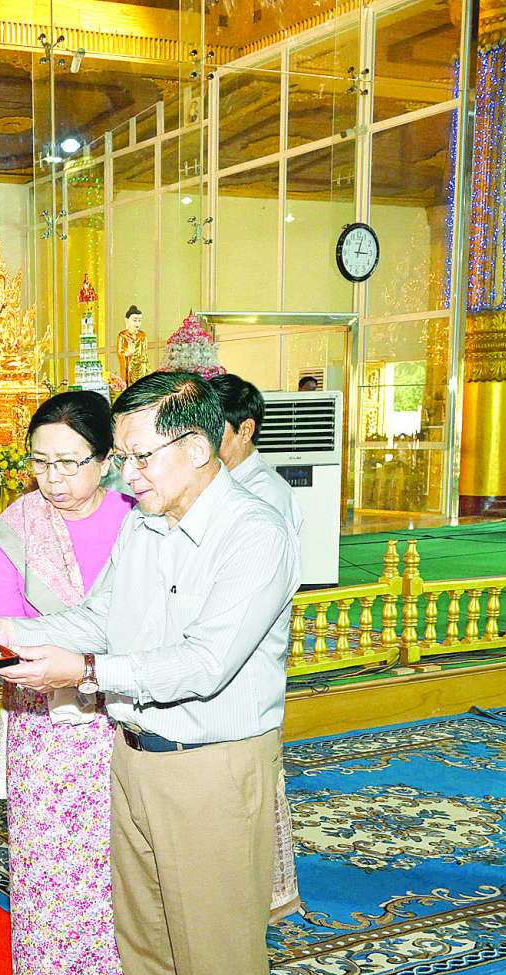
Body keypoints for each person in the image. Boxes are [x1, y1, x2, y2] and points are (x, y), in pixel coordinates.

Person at [0, 371, 297, 975]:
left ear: (197, 446)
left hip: (212, 765)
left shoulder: (253, 532)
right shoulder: (148, 525)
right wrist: (0, 639)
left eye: (138, 456)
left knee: (216, 943)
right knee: (147, 929)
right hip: (135, 752)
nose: (126, 474)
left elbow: (205, 662)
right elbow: (98, 616)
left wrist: (84, 670)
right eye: (120, 457)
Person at [0, 391, 134, 975]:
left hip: (131, 711)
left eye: (71, 462)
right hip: (47, 723)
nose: (55, 479)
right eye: (41, 462)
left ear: (107, 458)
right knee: (54, 873)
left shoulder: (142, 518)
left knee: (131, 868)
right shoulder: (16, 530)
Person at [213, 372, 303, 920]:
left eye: (212, 429)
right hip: (219, 655)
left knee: (250, 783)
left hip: (246, 656)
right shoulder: (219, 484)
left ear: (245, 430)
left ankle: (260, 895)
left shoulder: (265, 494)